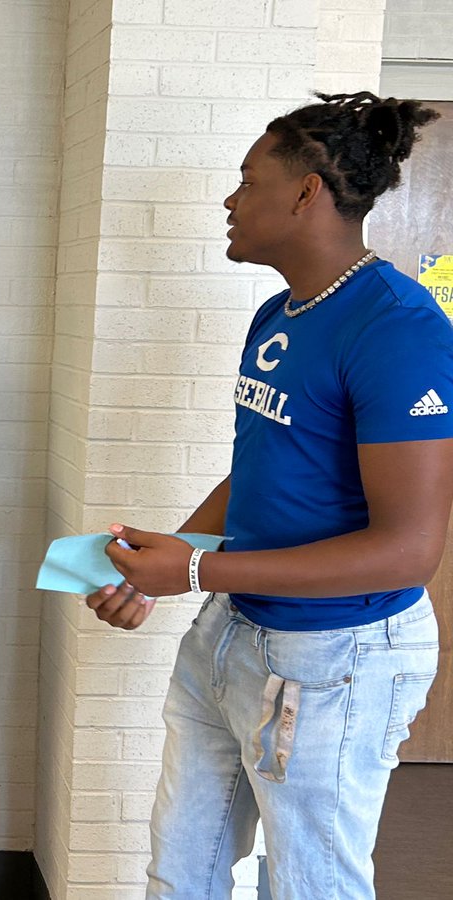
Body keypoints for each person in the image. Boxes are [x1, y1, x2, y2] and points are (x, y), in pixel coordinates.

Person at [85, 92, 451, 899]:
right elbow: (258, 468)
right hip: (231, 636)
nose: (230, 198)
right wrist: (160, 562)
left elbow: (409, 549)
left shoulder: (399, 329)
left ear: (306, 192)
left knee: (310, 885)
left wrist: (191, 573)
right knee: (180, 873)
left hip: (336, 661)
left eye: (247, 180)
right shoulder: (276, 315)